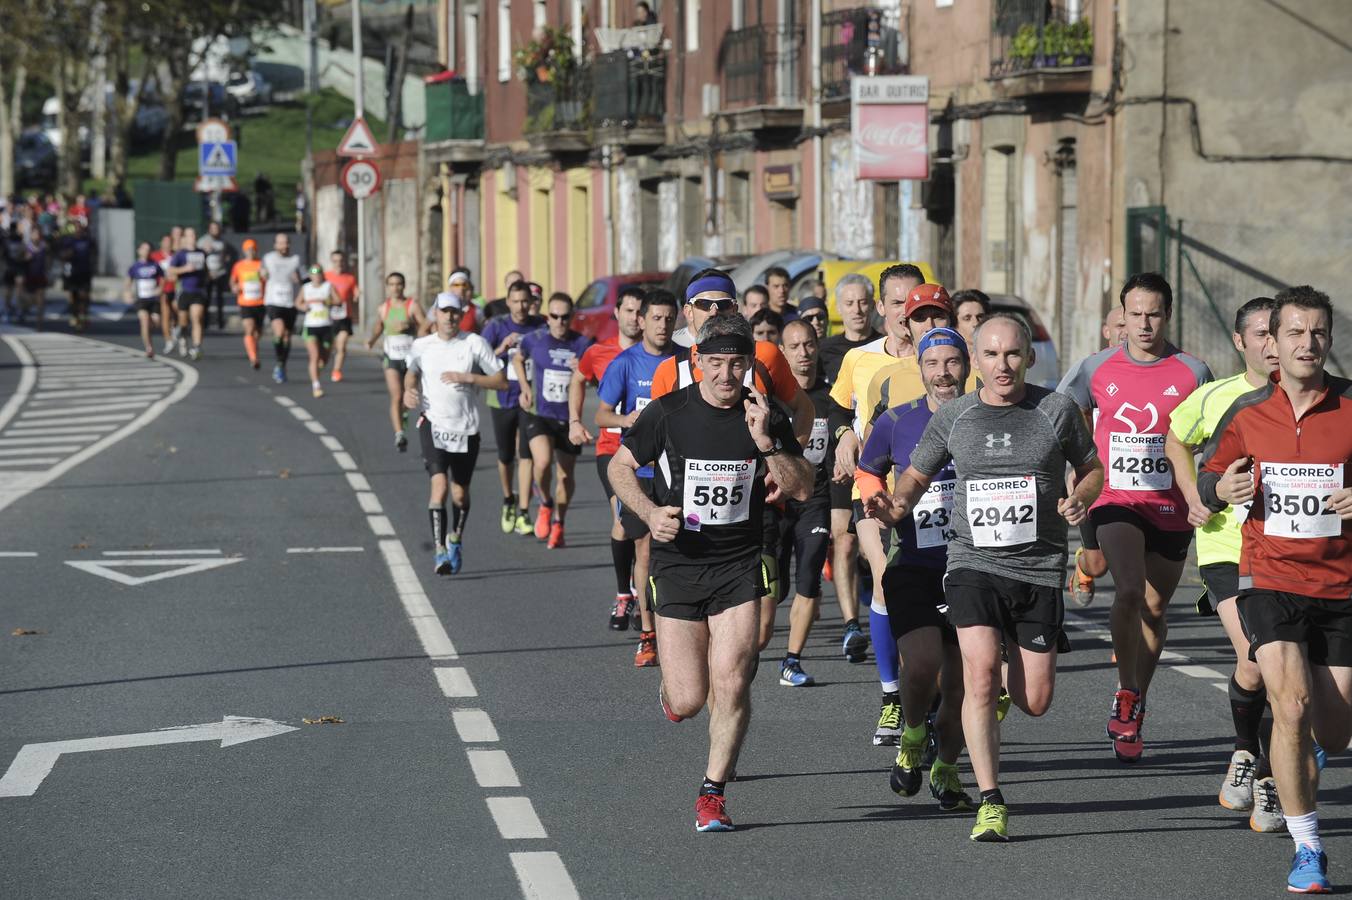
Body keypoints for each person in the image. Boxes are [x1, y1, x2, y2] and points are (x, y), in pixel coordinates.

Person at [876, 313, 1102, 841]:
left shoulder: (1055, 409)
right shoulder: (955, 416)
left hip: (1038, 568)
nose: (1003, 366)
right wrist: (898, 505)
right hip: (971, 565)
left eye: (1013, 355)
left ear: (1028, 356)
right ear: (975, 361)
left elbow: (1092, 468)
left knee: (1035, 700)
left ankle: (982, 728)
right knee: (977, 675)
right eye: (992, 355)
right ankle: (991, 800)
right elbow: (916, 473)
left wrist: (1081, 498)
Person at [607, 314, 813, 832]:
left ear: (749, 364)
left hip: (739, 564)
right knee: (690, 697)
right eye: (716, 363)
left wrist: (767, 443)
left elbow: (803, 487)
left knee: (733, 679)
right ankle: (673, 698)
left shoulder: (762, 413)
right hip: (679, 564)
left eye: (737, 364)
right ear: (697, 361)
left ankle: (712, 792)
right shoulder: (668, 413)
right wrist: (650, 513)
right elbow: (619, 467)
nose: (726, 374)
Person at [1197, 286, 1351, 894]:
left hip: (1340, 584)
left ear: (1329, 340)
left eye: (1317, 333)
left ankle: (1298, 763)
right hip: (1268, 577)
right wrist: (1222, 490)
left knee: (1334, 732)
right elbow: (1211, 474)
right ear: (1272, 343)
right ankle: (1308, 849)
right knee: (1290, 707)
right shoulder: (1247, 414)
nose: (1306, 343)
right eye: (1294, 333)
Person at [1058, 272, 1213, 763]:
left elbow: (1208, 437)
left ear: (1167, 315)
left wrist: (1203, 485)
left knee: (1156, 607)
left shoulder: (1194, 371)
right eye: (1135, 313)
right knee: (1127, 589)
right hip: (1115, 499)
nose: (1143, 324)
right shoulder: (1095, 367)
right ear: (1120, 316)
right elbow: (1067, 414)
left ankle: (1136, 698)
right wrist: (1080, 470)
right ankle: (1126, 692)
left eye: (1154, 314)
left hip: (1171, 504)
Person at [1164, 296, 1285, 832]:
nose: (1270, 344)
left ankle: (1264, 767)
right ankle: (1255, 765)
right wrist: (1195, 495)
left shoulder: (1313, 400)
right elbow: (1175, 439)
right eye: (1258, 334)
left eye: (1275, 333)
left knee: (1281, 670)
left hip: (1292, 552)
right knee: (1260, 659)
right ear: (1240, 342)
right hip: (1225, 547)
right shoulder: (1216, 398)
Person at [857, 327, 974, 811]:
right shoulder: (897, 421)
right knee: (923, 665)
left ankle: (946, 769)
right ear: (920, 369)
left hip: (972, 569)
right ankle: (910, 734)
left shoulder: (985, 417)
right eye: (932, 364)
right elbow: (868, 467)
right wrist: (874, 501)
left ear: (967, 367)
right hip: (915, 565)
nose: (943, 373)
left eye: (951, 362)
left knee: (961, 690)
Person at [827, 264, 927, 742]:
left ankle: (924, 688)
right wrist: (846, 434)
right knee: (887, 578)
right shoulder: (862, 359)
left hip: (932, 492)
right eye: (895, 302)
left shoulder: (946, 360)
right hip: (874, 486)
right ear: (882, 308)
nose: (905, 311)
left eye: (915, 301)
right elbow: (837, 408)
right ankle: (891, 696)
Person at [594, 289, 679, 666]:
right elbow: (601, 415)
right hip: (640, 469)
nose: (662, 325)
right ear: (641, 321)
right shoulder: (626, 363)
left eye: (668, 318)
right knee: (644, 547)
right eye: (655, 318)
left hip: (676, 470)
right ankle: (648, 634)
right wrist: (627, 421)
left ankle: (679, 623)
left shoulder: (684, 361)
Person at [404, 292, 509, 575]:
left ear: (461, 315)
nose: (449, 317)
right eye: (444, 311)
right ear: (435, 314)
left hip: (466, 428)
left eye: (455, 312)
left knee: (460, 494)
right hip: (433, 423)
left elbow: (501, 382)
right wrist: (408, 390)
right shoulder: (421, 345)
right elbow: (411, 372)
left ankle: (455, 538)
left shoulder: (474, 343)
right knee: (439, 487)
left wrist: (469, 377)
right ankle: (440, 553)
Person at [650, 269, 813, 448]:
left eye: (723, 304)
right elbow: (650, 441)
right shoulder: (670, 370)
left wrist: (787, 462)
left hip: (753, 475)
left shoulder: (765, 355)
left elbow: (804, 408)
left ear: (735, 309)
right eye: (704, 304)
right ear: (688, 312)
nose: (714, 313)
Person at [569, 286, 646, 627]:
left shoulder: (659, 355)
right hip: (611, 451)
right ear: (617, 313)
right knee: (622, 521)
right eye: (628, 310)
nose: (634, 318)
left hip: (651, 455)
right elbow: (578, 379)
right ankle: (623, 594)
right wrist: (574, 421)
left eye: (639, 311)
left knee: (643, 529)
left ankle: (641, 588)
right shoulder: (599, 353)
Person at [817, 273, 881, 681]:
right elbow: (830, 407)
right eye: (850, 303)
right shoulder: (827, 352)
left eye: (863, 302)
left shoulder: (885, 347)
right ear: (839, 309)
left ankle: (877, 603)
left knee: (867, 547)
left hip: (880, 461)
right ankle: (850, 625)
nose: (857, 310)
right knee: (842, 540)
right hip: (840, 458)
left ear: (873, 305)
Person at [773, 319, 837, 687]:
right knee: (775, 590)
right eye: (794, 346)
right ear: (782, 352)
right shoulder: (772, 398)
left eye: (809, 345)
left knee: (810, 573)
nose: (803, 353)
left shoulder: (829, 397)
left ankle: (792, 660)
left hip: (816, 497)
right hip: (777, 501)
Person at [514, 292, 594, 548]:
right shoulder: (534, 339)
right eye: (555, 316)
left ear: (571, 317)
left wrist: (581, 371)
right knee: (543, 461)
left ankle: (559, 522)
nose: (560, 321)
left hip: (569, 419)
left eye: (565, 317)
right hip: (539, 414)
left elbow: (594, 379)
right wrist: (525, 387)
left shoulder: (581, 344)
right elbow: (517, 358)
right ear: (548, 317)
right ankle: (545, 503)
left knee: (565, 475)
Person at [1066, 305, 1130, 606]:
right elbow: (1068, 412)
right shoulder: (1092, 369)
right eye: (1119, 325)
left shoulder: (1161, 370)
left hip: (1143, 486)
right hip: (1098, 481)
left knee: (1135, 579)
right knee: (1099, 564)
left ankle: (1129, 648)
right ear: (1106, 331)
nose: (1126, 331)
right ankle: (1083, 567)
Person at [481, 280, 544, 534]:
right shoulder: (496, 326)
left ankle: (524, 511)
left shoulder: (540, 326)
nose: (520, 306)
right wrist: (501, 348)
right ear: (508, 302)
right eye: (515, 301)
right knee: (506, 456)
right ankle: (508, 499)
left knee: (526, 454)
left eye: (524, 301)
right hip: (502, 397)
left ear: (531, 302)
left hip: (530, 400)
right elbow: (480, 361)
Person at [366, 272, 427, 451]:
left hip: (410, 359)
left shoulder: (412, 306)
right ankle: (399, 433)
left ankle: (404, 413)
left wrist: (411, 326)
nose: (395, 287)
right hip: (391, 357)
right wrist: (371, 339)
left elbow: (425, 326)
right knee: (397, 395)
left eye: (399, 284)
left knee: (408, 395)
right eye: (392, 284)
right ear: (388, 286)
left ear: (403, 285)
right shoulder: (384, 308)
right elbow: (379, 325)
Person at [262, 233, 303, 383]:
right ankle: (279, 363)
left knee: (287, 336)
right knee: (279, 333)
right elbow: (261, 272)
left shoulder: (295, 260)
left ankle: (281, 364)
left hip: (290, 302)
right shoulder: (268, 258)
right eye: (280, 243)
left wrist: (300, 278)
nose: (283, 246)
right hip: (273, 301)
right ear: (275, 245)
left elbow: (307, 275)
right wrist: (262, 274)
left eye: (286, 243)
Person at [167, 227, 210, 360]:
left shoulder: (202, 253)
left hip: (198, 291)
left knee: (197, 318)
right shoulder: (180, 254)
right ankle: (182, 336)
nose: (193, 238)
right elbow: (171, 270)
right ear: (185, 238)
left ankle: (197, 347)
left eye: (194, 235)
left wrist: (207, 277)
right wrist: (185, 269)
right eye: (190, 235)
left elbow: (207, 269)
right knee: (184, 322)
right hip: (184, 291)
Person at [299, 264, 339, 398]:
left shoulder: (328, 286)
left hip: (326, 325)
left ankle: (316, 371)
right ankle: (316, 385)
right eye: (313, 273)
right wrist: (303, 306)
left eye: (319, 272)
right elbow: (297, 303)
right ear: (310, 275)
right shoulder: (306, 288)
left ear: (322, 274)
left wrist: (329, 301)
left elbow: (338, 300)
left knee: (325, 358)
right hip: (311, 326)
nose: (316, 275)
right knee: (315, 356)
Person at [230, 238, 266, 369]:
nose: (250, 252)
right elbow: (232, 282)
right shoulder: (239, 266)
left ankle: (253, 348)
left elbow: (267, 278)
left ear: (256, 250)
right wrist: (235, 287)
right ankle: (253, 358)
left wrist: (264, 275)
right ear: (244, 251)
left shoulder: (261, 264)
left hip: (260, 302)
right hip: (245, 302)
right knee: (249, 328)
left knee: (258, 333)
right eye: (248, 249)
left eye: (253, 249)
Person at [124, 241, 164, 357]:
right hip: (141, 299)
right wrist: (127, 293)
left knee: (155, 322)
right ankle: (149, 347)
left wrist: (160, 289)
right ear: (139, 251)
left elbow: (162, 279)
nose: (146, 252)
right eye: (144, 249)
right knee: (144, 321)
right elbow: (128, 281)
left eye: (148, 250)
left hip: (154, 299)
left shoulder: (155, 265)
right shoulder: (135, 267)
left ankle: (149, 331)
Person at [324, 250, 358, 382]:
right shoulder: (326, 276)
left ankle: (336, 370)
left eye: (341, 261)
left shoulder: (350, 278)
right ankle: (324, 359)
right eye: (335, 261)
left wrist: (357, 295)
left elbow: (355, 291)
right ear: (332, 261)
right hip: (328, 316)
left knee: (342, 345)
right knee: (328, 346)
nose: (339, 263)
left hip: (344, 316)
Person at [199, 221, 237, 330]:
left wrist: (225, 260)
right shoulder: (203, 241)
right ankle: (205, 322)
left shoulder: (222, 242)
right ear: (209, 229)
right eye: (213, 228)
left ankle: (220, 322)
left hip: (220, 272)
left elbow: (225, 255)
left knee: (220, 298)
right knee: (207, 298)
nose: (215, 230)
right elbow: (197, 255)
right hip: (208, 273)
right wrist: (204, 251)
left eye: (217, 228)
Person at [60, 221, 94, 332]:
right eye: (76, 228)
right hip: (72, 273)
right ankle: (74, 315)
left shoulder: (88, 240)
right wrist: (67, 254)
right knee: (73, 297)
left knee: (84, 295)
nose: (78, 230)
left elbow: (94, 253)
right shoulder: (68, 241)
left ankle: (83, 316)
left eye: (80, 228)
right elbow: (62, 255)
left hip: (85, 271)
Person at [153, 234, 177, 353]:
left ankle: (175, 329)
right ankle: (168, 340)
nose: (167, 244)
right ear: (161, 243)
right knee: (165, 315)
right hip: (163, 290)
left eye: (169, 241)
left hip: (176, 289)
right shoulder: (155, 256)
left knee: (177, 311)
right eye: (165, 241)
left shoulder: (176, 255)